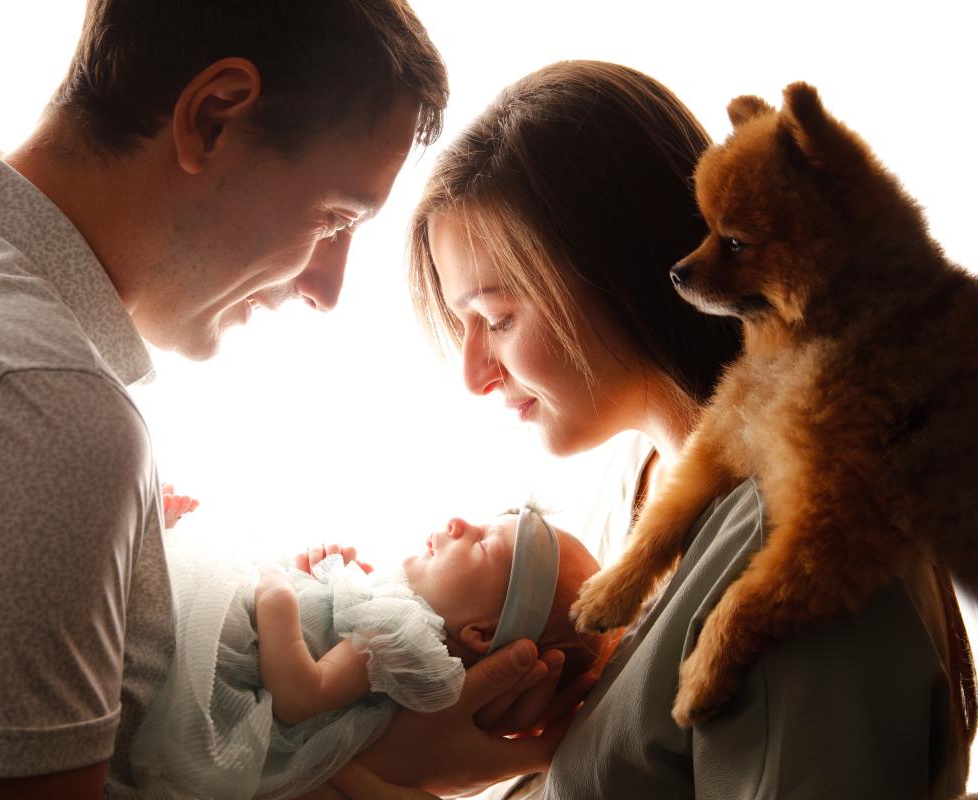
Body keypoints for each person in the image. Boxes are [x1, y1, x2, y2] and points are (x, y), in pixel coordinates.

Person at [0, 3, 517, 798]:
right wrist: (363, 776)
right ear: (211, 116)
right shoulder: (37, 408)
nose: (327, 289)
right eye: (334, 218)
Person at [340, 60, 977, 798]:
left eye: (499, 318)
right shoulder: (631, 495)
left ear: (623, 267)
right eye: (465, 327)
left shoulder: (792, 535)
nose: (474, 373)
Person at [132, 501, 612, 800]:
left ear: (481, 635)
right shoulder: (387, 612)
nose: (460, 521)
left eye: (484, 544)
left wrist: (277, 595)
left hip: (212, 673)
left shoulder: (401, 636)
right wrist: (316, 587)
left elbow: (301, 696)